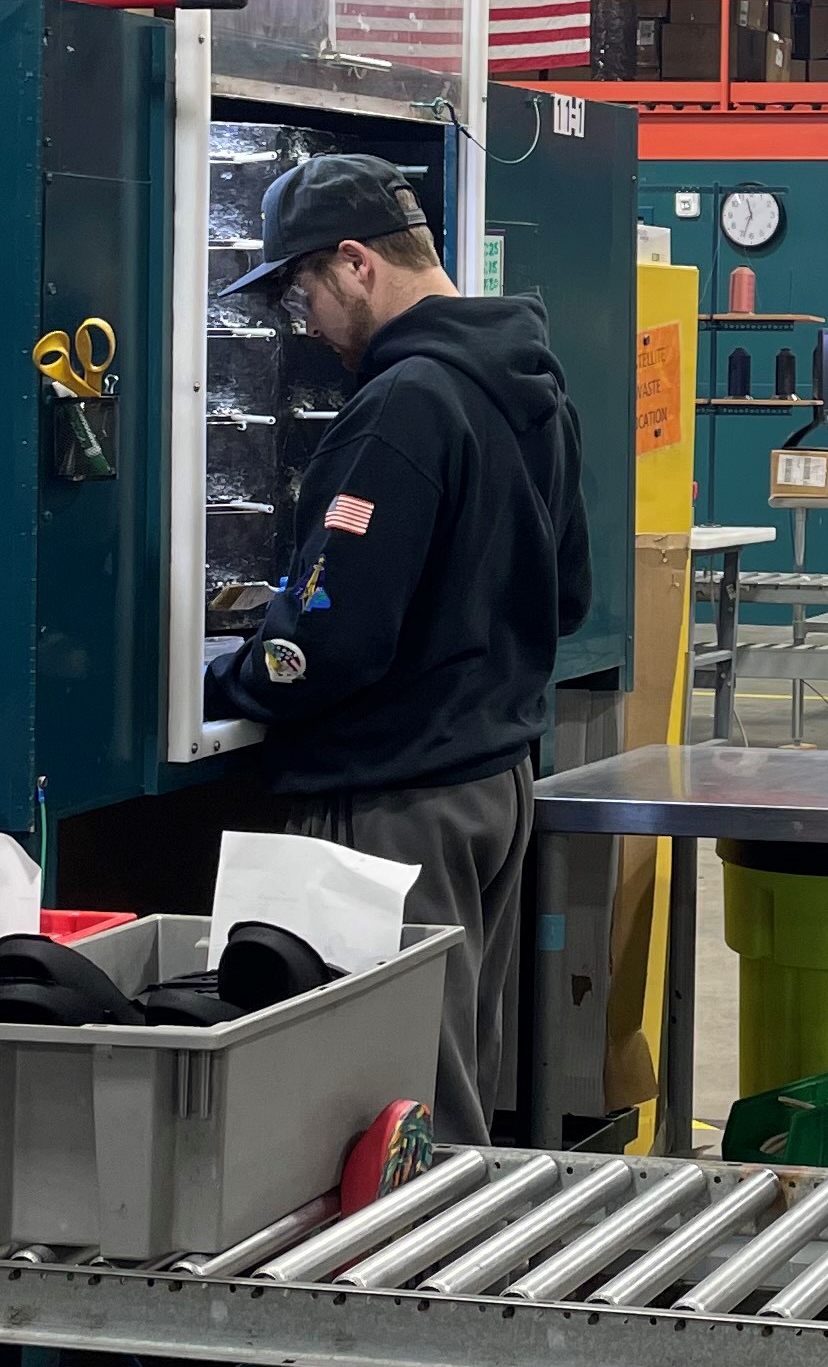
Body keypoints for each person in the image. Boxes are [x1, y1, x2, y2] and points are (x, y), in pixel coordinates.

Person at [210, 153, 591, 1143]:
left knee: (380, 1094)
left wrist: (234, 675)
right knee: (450, 1063)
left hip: (393, 796)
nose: (305, 323)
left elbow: (329, 646)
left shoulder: (403, 405)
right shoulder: (534, 385)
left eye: (300, 293)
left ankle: (410, 1289)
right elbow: (572, 592)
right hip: (492, 785)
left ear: (355, 263)